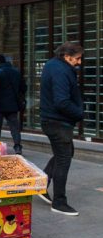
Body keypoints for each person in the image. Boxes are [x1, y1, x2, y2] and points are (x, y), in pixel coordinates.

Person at [38, 42, 84, 216]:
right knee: (64, 158)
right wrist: (79, 113)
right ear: (67, 56)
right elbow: (62, 101)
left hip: (53, 120)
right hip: (57, 122)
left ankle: (41, 183)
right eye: (77, 58)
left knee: (65, 152)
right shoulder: (61, 70)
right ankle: (59, 202)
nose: (79, 62)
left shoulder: (54, 65)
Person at [0, 55, 26, 154]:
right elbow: (23, 87)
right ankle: (18, 147)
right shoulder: (16, 72)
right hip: (13, 105)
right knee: (14, 127)